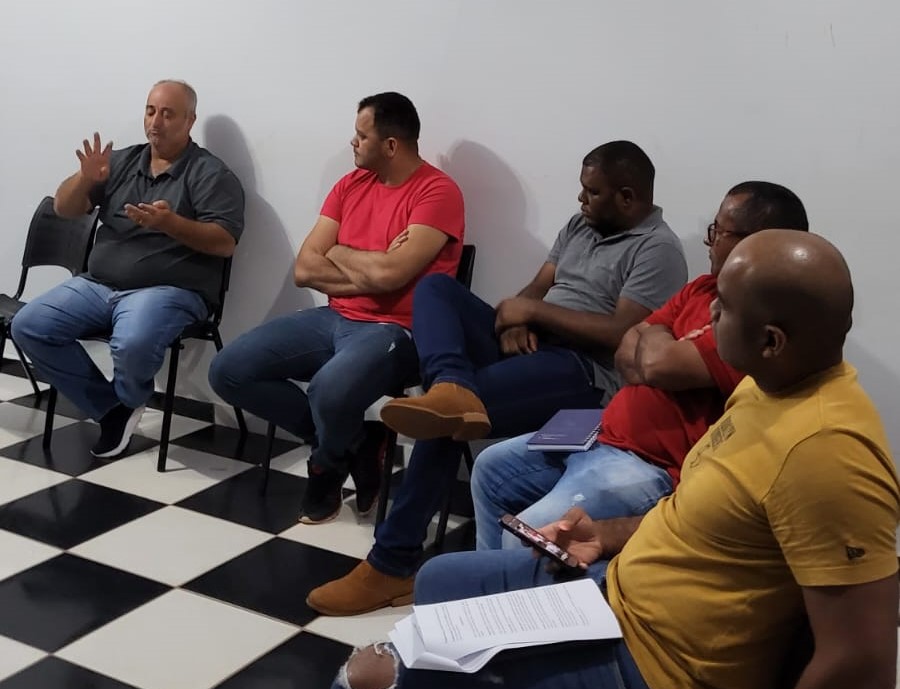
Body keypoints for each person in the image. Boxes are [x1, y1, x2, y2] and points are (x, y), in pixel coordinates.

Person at [329, 230, 899, 689]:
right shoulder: (766, 386)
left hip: (664, 678)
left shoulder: (826, 453)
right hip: (617, 599)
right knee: (442, 579)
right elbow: (705, 512)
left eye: (724, 307)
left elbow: (863, 668)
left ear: (771, 340)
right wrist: (609, 533)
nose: (707, 315)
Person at [308, 140, 688, 615]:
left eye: (592, 192)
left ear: (627, 198)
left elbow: (621, 334)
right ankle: (449, 384)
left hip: (584, 373)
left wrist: (532, 313)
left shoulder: (658, 249)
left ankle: (392, 563)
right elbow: (537, 288)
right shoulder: (580, 226)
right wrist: (515, 320)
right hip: (533, 346)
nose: (581, 199)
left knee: (450, 420)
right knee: (436, 289)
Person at [472, 181, 809, 550]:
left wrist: (654, 345)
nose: (709, 241)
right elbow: (627, 348)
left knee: (529, 536)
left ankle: (510, 583)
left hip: (649, 465)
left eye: (719, 231)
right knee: (490, 467)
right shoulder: (701, 288)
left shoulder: (755, 324)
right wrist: (656, 349)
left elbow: (658, 364)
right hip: (600, 434)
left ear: (757, 244)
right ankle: (485, 579)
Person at [209, 92, 465, 524]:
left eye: (362, 135)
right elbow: (305, 268)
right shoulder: (350, 185)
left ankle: (325, 467)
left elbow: (391, 276)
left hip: (398, 330)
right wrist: (371, 265)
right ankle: (355, 443)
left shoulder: (437, 192)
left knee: (328, 390)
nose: (353, 142)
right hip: (336, 316)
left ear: (391, 145)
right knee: (228, 371)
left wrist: (340, 252)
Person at [11, 80, 244, 459]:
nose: (156, 122)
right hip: (99, 284)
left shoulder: (210, 174)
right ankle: (113, 409)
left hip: (169, 289)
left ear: (189, 120)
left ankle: (129, 398)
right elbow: (65, 208)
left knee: (132, 342)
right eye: (151, 111)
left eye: (168, 114)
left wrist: (170, 224)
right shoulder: (121, 162)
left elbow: (224, 242)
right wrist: (85, 178)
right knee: (29, 325)